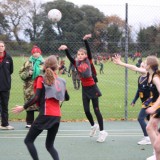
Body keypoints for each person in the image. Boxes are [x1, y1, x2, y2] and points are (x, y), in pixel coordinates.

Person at [12, 55, 70, 160]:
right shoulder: (62, 81)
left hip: (46, 114)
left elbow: (36, 97)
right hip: (57, 116)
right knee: (50, 146)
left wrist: (23, 107)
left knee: (28, 140)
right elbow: (67, 97)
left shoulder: (41, 78)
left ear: (44, 66)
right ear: (57, 67)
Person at [58, 34, 108, 143]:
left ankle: (103, 132)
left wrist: (85, 40)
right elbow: (70, 58)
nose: (80, 56)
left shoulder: (88, 60)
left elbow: (89, 51)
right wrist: (66, 49)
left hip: (92, 88)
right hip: (84, 89)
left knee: (96, 110)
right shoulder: (76, 63)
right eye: (78, 54)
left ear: (85, 55)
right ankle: (93, 126)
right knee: (86, 110)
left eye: (82, 54)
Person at [112, 55, 151, 145]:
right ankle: (152, 136)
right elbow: (139, 90)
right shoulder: (140, 78)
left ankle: (147, 138)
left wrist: (121, 63)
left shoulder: (148, 75)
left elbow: (134, 68)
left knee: (141, 118)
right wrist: (134, 100)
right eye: (140, 65)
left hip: (150, 102)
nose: (140, 67)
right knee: (151, 121)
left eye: (142, 66)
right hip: (145, 102)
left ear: (147, 68)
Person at [19, 45, 44, 128]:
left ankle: (41, 122)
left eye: (37, 52)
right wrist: (28, 73)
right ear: (32, 53)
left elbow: (49, 74)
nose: (36, 54)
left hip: (40, 86)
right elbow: (21, 75)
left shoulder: (44, 63)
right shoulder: (27, 63)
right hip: (29, 88)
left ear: (40, 53)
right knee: (29, 104)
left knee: (41, 104)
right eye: (34, 52)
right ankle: (29, 122)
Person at [144, 56, 160, 160]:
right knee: (150, 128)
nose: (143, 64)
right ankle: (156, 153)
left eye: (145, 63)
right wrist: (121, 63)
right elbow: (135, 68)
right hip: (157, 105)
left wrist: (154, 107)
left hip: (158, 106)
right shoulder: (150, 74)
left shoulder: (155, 78)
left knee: (150, 128)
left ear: (149, 65)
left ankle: (156, 152)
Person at [0, 41, 14, 130]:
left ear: (4, 47)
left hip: (5, 86)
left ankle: (5, 124)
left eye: (2, 46)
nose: (0, 47)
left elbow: (11, 70)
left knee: (5, 106)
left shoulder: (8, 58)